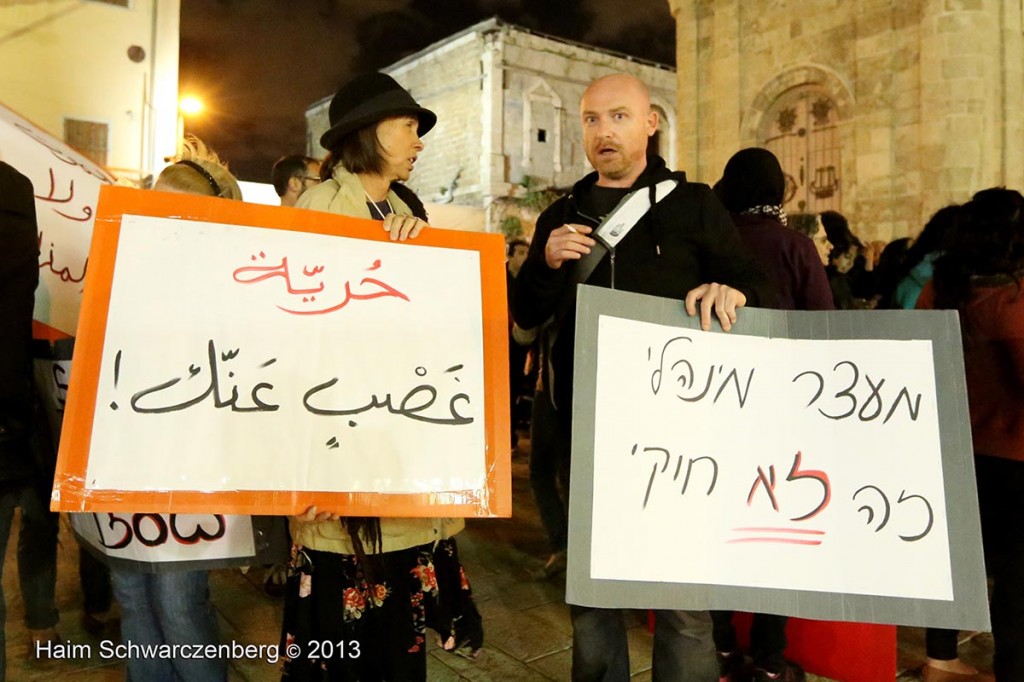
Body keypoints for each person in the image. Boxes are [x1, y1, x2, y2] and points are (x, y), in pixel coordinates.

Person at [512, 73, 767, 682]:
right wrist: (544, 266)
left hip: (680, 442)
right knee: (593, 602)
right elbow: (523, 318)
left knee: (683, 609)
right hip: (586, 433)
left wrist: (733, 290)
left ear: (651, 123)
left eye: (619, 117)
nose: (604, 132)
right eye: (592, 120)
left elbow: (756, 287)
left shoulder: (696, 205)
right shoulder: (560, 215)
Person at [286, 72, 483, 681]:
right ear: (370, 131)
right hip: (337, 469)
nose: (419, 139)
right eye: (408, 125)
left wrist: (419, 255)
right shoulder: (317, 209)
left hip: (399, 469)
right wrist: (299, 468)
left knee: (398, 650)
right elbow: (292, 345)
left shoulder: (403, 211)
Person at [106, 136, 240, 682]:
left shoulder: (231, 288)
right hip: (121, 463)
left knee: (180, 605)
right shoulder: (124, 273)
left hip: (190, 471)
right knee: (132, 597)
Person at [710, 147, 836, 682]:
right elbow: (825, 326)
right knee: (774, 526)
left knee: (720, 521)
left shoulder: (714, 239)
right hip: (784, 413)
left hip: (718, 404)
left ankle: (717, 642)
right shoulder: (795, 246)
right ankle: (767, 654)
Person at [917, 188, 1023, 682]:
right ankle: (1011, 666)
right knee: (1015, 575)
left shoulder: (937, 291)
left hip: (949, 448)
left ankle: (940, 658)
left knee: (951, 559)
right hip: (1011, 455)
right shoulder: (1012, 299)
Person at [0, 161, 61, 680]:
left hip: (24, 408)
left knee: (39, 517)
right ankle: (43, 624)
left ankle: (43, 621)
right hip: (17, 409)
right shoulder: (17, 187)